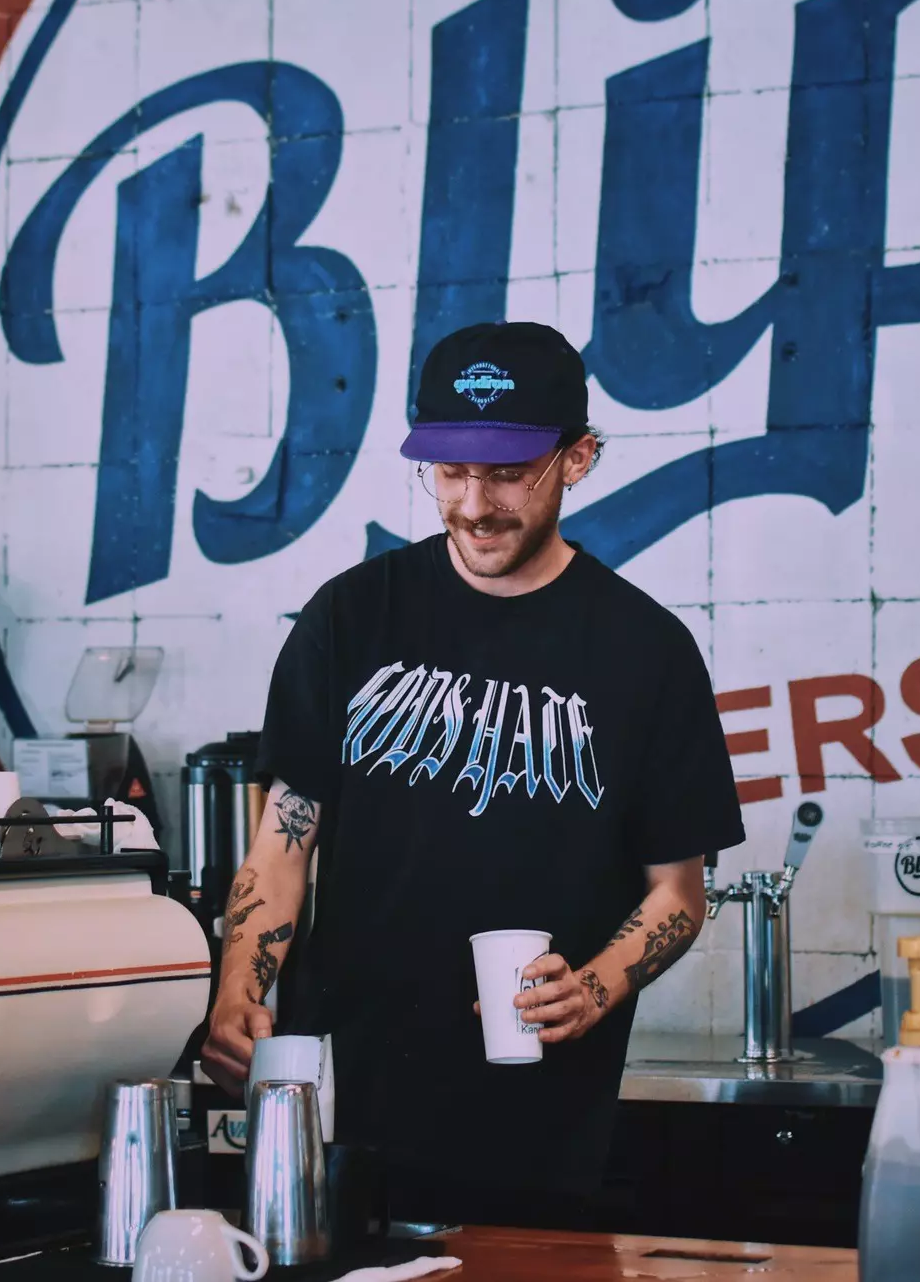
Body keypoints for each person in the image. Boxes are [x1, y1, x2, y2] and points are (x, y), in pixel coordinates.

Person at [201, 321, 745, 1221]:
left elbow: (678, 894)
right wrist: (237, 993)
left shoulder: (646, 651)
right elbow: (283, 845)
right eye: (450, 471)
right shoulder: (350, 618)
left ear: (579, 459)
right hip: (343, 1114)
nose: (473, 503)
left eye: (507, 472)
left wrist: (597, 984)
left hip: (536, 1125)